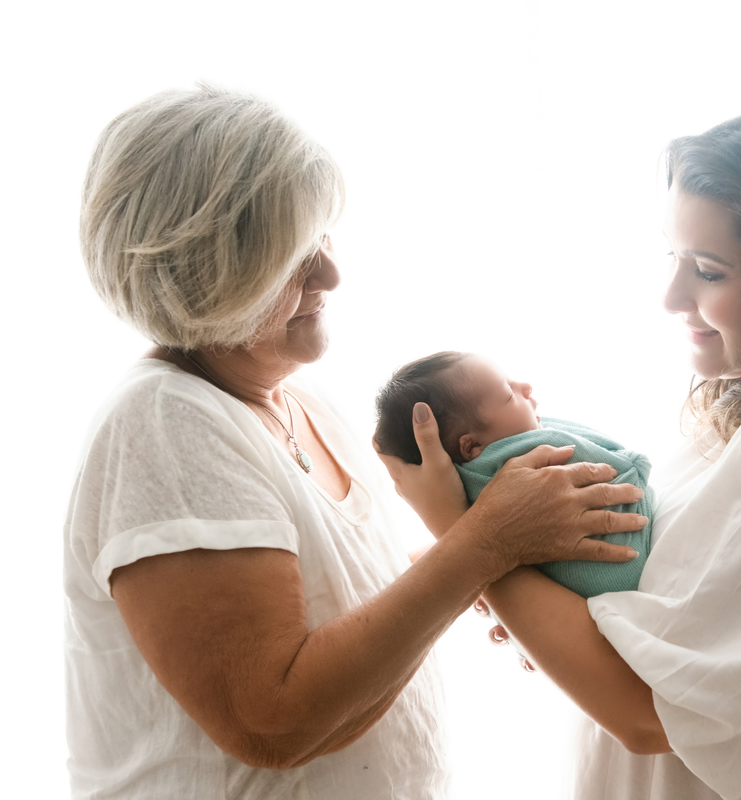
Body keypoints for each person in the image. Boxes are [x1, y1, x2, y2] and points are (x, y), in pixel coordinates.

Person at [376, 102, 741, 800]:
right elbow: (651, 640)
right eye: (673, 256)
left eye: (710, 270)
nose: (670, 295)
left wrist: (466, 536)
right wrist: (543, 605)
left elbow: (645, 712)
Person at [64, 85, 647, 800]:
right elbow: (275, 722)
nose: (331, 273)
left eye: (321, 237)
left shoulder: (302, 403)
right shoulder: (163, 421)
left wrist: (506, 574)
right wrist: (485, 547)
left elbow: (339, 595)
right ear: (201, 267)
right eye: (290, 255)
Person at [374, 351, 654, 598]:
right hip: (622, 577)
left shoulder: (458, 493)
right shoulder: (532, 451)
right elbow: (628, 467)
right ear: (471, 446)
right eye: (509, 394)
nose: (526, 387)